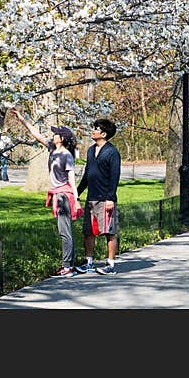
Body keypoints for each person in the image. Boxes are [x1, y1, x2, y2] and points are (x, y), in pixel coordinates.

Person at [12, 109, 82, 277]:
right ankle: (68, 265)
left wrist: (76, 199)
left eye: (56, 134)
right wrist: (22, 118)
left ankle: (68, 267)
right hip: (57, 195)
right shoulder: (52, 149)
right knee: (63, 231)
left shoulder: (67, 156)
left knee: (65, 232)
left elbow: (71, 180)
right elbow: (36, 134)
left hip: (64, 196)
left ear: (62, 139)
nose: (53, 136)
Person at [75, 118, 121, 275]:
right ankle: (89, 262)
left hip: (105, 199)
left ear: (103, 133)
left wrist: (110, 198)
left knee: (110, 231)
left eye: (95, 128)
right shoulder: (90, 150)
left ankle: (110, 264)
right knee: (88, 232)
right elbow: (88, 174)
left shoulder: (112, 152)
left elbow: (115, 176)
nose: (92, 131)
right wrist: (77, 192)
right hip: (91, 197)